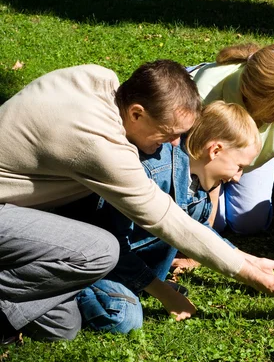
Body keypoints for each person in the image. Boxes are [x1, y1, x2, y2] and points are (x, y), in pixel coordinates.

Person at [0, 61, 274, 342]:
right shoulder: (99, 146)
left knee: (62, 326)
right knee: (100, 251)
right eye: (166, 136)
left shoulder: (102, 79)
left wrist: (250, 259)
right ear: (137, 113)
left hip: (24, 212)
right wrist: (252, 276)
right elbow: (165, 218)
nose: (173, 146)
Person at [61, 101, 262, 334]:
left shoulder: (198, 184)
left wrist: (251, 263)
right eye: (239, 166)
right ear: (214, 151)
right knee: (122, 316)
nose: (238, 177)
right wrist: (166, 295)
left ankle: (143, 284)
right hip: (94, 263)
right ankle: (62, 296)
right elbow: (112, 247)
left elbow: (199, 232)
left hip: (129, 265)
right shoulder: (148, 173)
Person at [190, 43, 274, 255]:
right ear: (252, 98)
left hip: (255, 156)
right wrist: (204, 247)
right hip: (205, 159)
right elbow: (206, 162)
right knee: (215, 223)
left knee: (250, 222)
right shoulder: (206, 93)